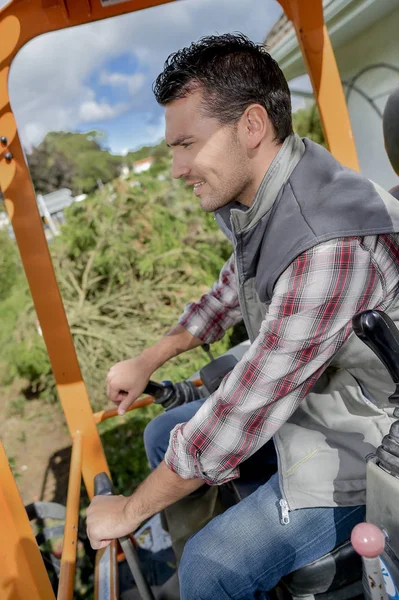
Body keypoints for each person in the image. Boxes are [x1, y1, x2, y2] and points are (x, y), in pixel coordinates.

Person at [87, 34, 399, 599]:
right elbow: (231, 289)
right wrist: (149, 357)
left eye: (187, 144)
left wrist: (129, 510)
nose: (178, 168)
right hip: (323, 398)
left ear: (252, 126)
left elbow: (243, 413)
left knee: (214, 564)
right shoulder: (268, 198)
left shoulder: (324, 243)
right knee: (162, 434)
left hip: (369, 438)